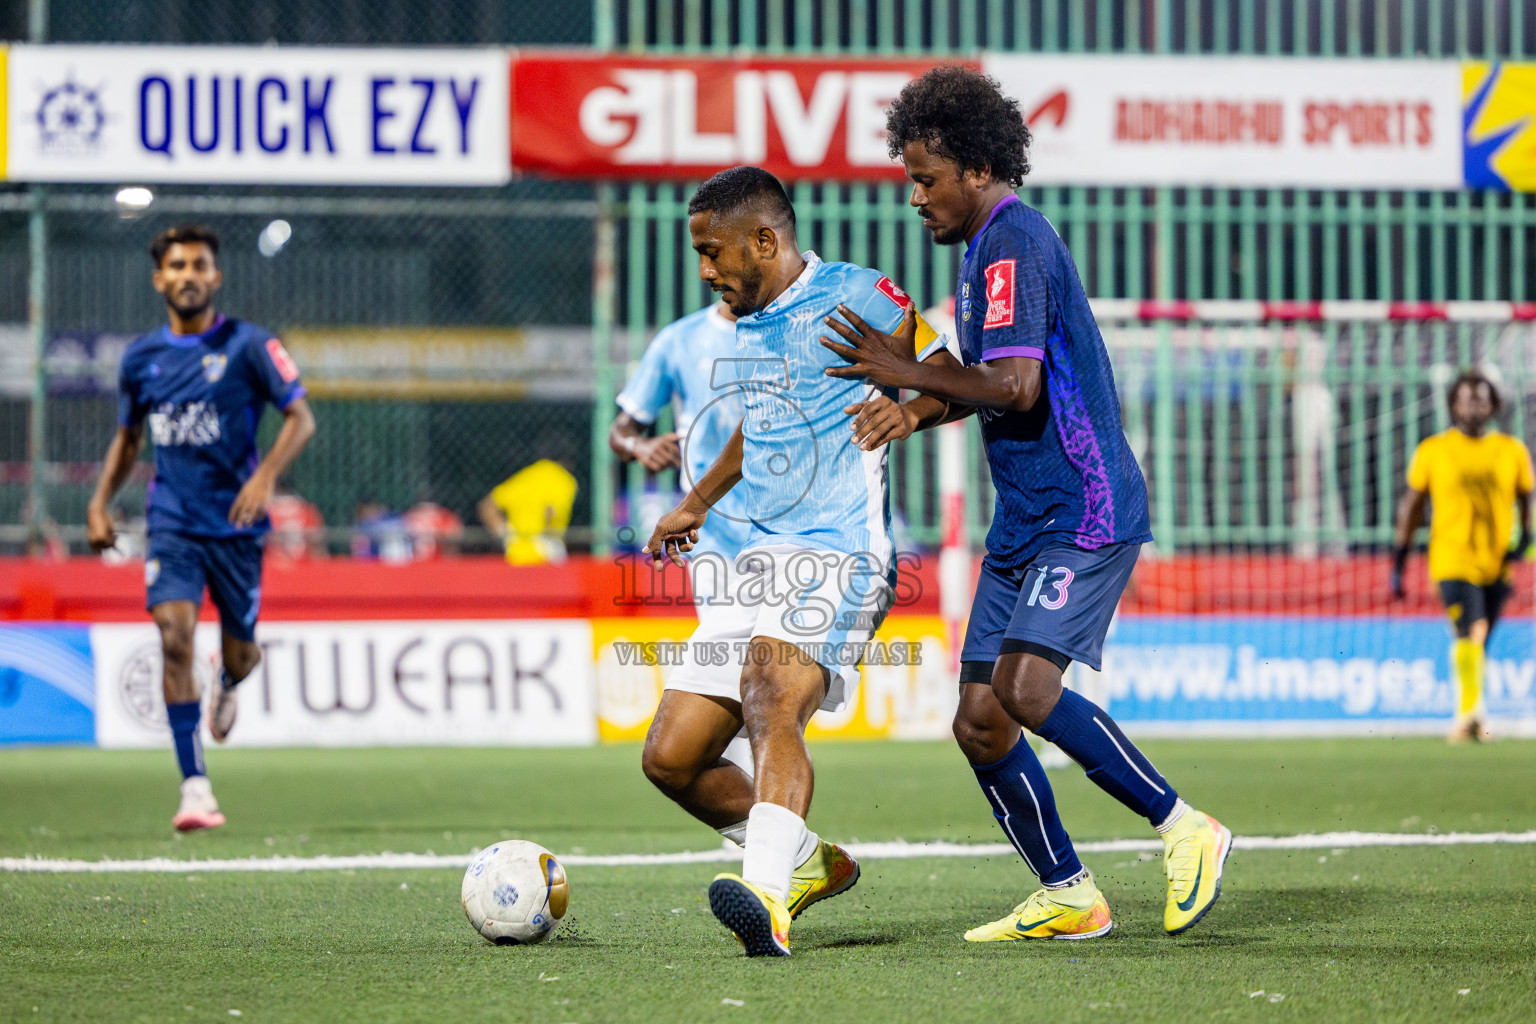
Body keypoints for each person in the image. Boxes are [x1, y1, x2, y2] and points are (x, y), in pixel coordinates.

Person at [819, 65, 1230, 940]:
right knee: (979, 719)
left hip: (1083, 508)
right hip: (1025, 518)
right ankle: (1071, 893)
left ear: (974, 168)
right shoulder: (980, 251)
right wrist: (916, 407)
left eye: (925, 180)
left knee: (1026, 687)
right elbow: (981, 388)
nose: (916, 198)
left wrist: (905, 369)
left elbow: (1013, 386)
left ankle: (1186, 827)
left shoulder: (1014, 240)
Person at [645, 165, 954, 957]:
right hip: (760, 557)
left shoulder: (860, 295)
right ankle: (806, 860)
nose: (707, 271)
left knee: (768, 694)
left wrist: (909, 408)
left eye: (713, 252)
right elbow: (761, 426)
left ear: (763, 240)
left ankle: (769, 897)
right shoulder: (751, 321)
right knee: (673, 757)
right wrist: (697, 503)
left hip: (844, 550)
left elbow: (950, 375)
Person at [86, 224, 316, 832]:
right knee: (174, 634)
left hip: (238, 527)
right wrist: (99, 503)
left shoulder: (250, 345)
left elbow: (301, 418)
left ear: (215, 275)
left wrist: (265, 477)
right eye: (177, 266)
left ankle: (229, 679)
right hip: (174, 523)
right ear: (159, 278)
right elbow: (129, 439)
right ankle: (195, 787)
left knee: (242, 651)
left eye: (199, 265)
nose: (188, 274)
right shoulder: (141, 359)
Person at [1392, 368, 1533, 743]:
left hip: (1496, 561)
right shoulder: (1434, 450)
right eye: (1468, 400)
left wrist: (1527, 540)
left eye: (1482, 400)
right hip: (1451, 558)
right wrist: (1400, 559)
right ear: (1454, 404)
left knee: (1475, 642)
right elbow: (1412, 507)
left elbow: (1527, 497)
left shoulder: (1510, 450)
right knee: (1473, 630)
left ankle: (1469, 712)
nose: (1475, 407)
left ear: (1493, 405)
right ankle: (1469, 717)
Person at [477, 459, 578, 565]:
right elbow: (550, 513)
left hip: (515, 553)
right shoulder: (565, 480)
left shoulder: (527, 476)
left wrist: (505, 535)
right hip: (546, 555)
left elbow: (487, 506)